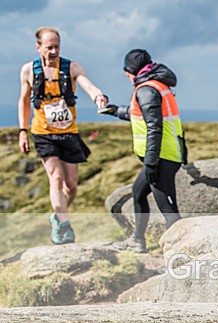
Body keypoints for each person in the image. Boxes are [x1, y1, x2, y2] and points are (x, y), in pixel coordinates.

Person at [18, 27, 108, 244]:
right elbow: (24, 100)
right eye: (49, 47)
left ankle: (58, 216)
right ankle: (64, 226)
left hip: (68, 133)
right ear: (38, 47)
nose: (54, 51)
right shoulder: (29, 70)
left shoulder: (71, 68)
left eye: (57, 47)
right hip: (43, 133)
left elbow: (88, 85)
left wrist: (98, 96)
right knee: (56, 179)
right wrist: (22, 131)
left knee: (71, 186)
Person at [100, 49, 186, 253]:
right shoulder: (155, 85)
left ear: (131, 70)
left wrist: (150, 163)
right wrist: (115, 111)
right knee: (138, 193)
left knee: (169, 212)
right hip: (161, 155)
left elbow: (154, 128)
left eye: (126, 71)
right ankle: (137, 241)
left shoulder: (146, 89)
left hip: (162, 158)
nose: (126, 75)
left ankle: (182, 254)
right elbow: (139, 114)